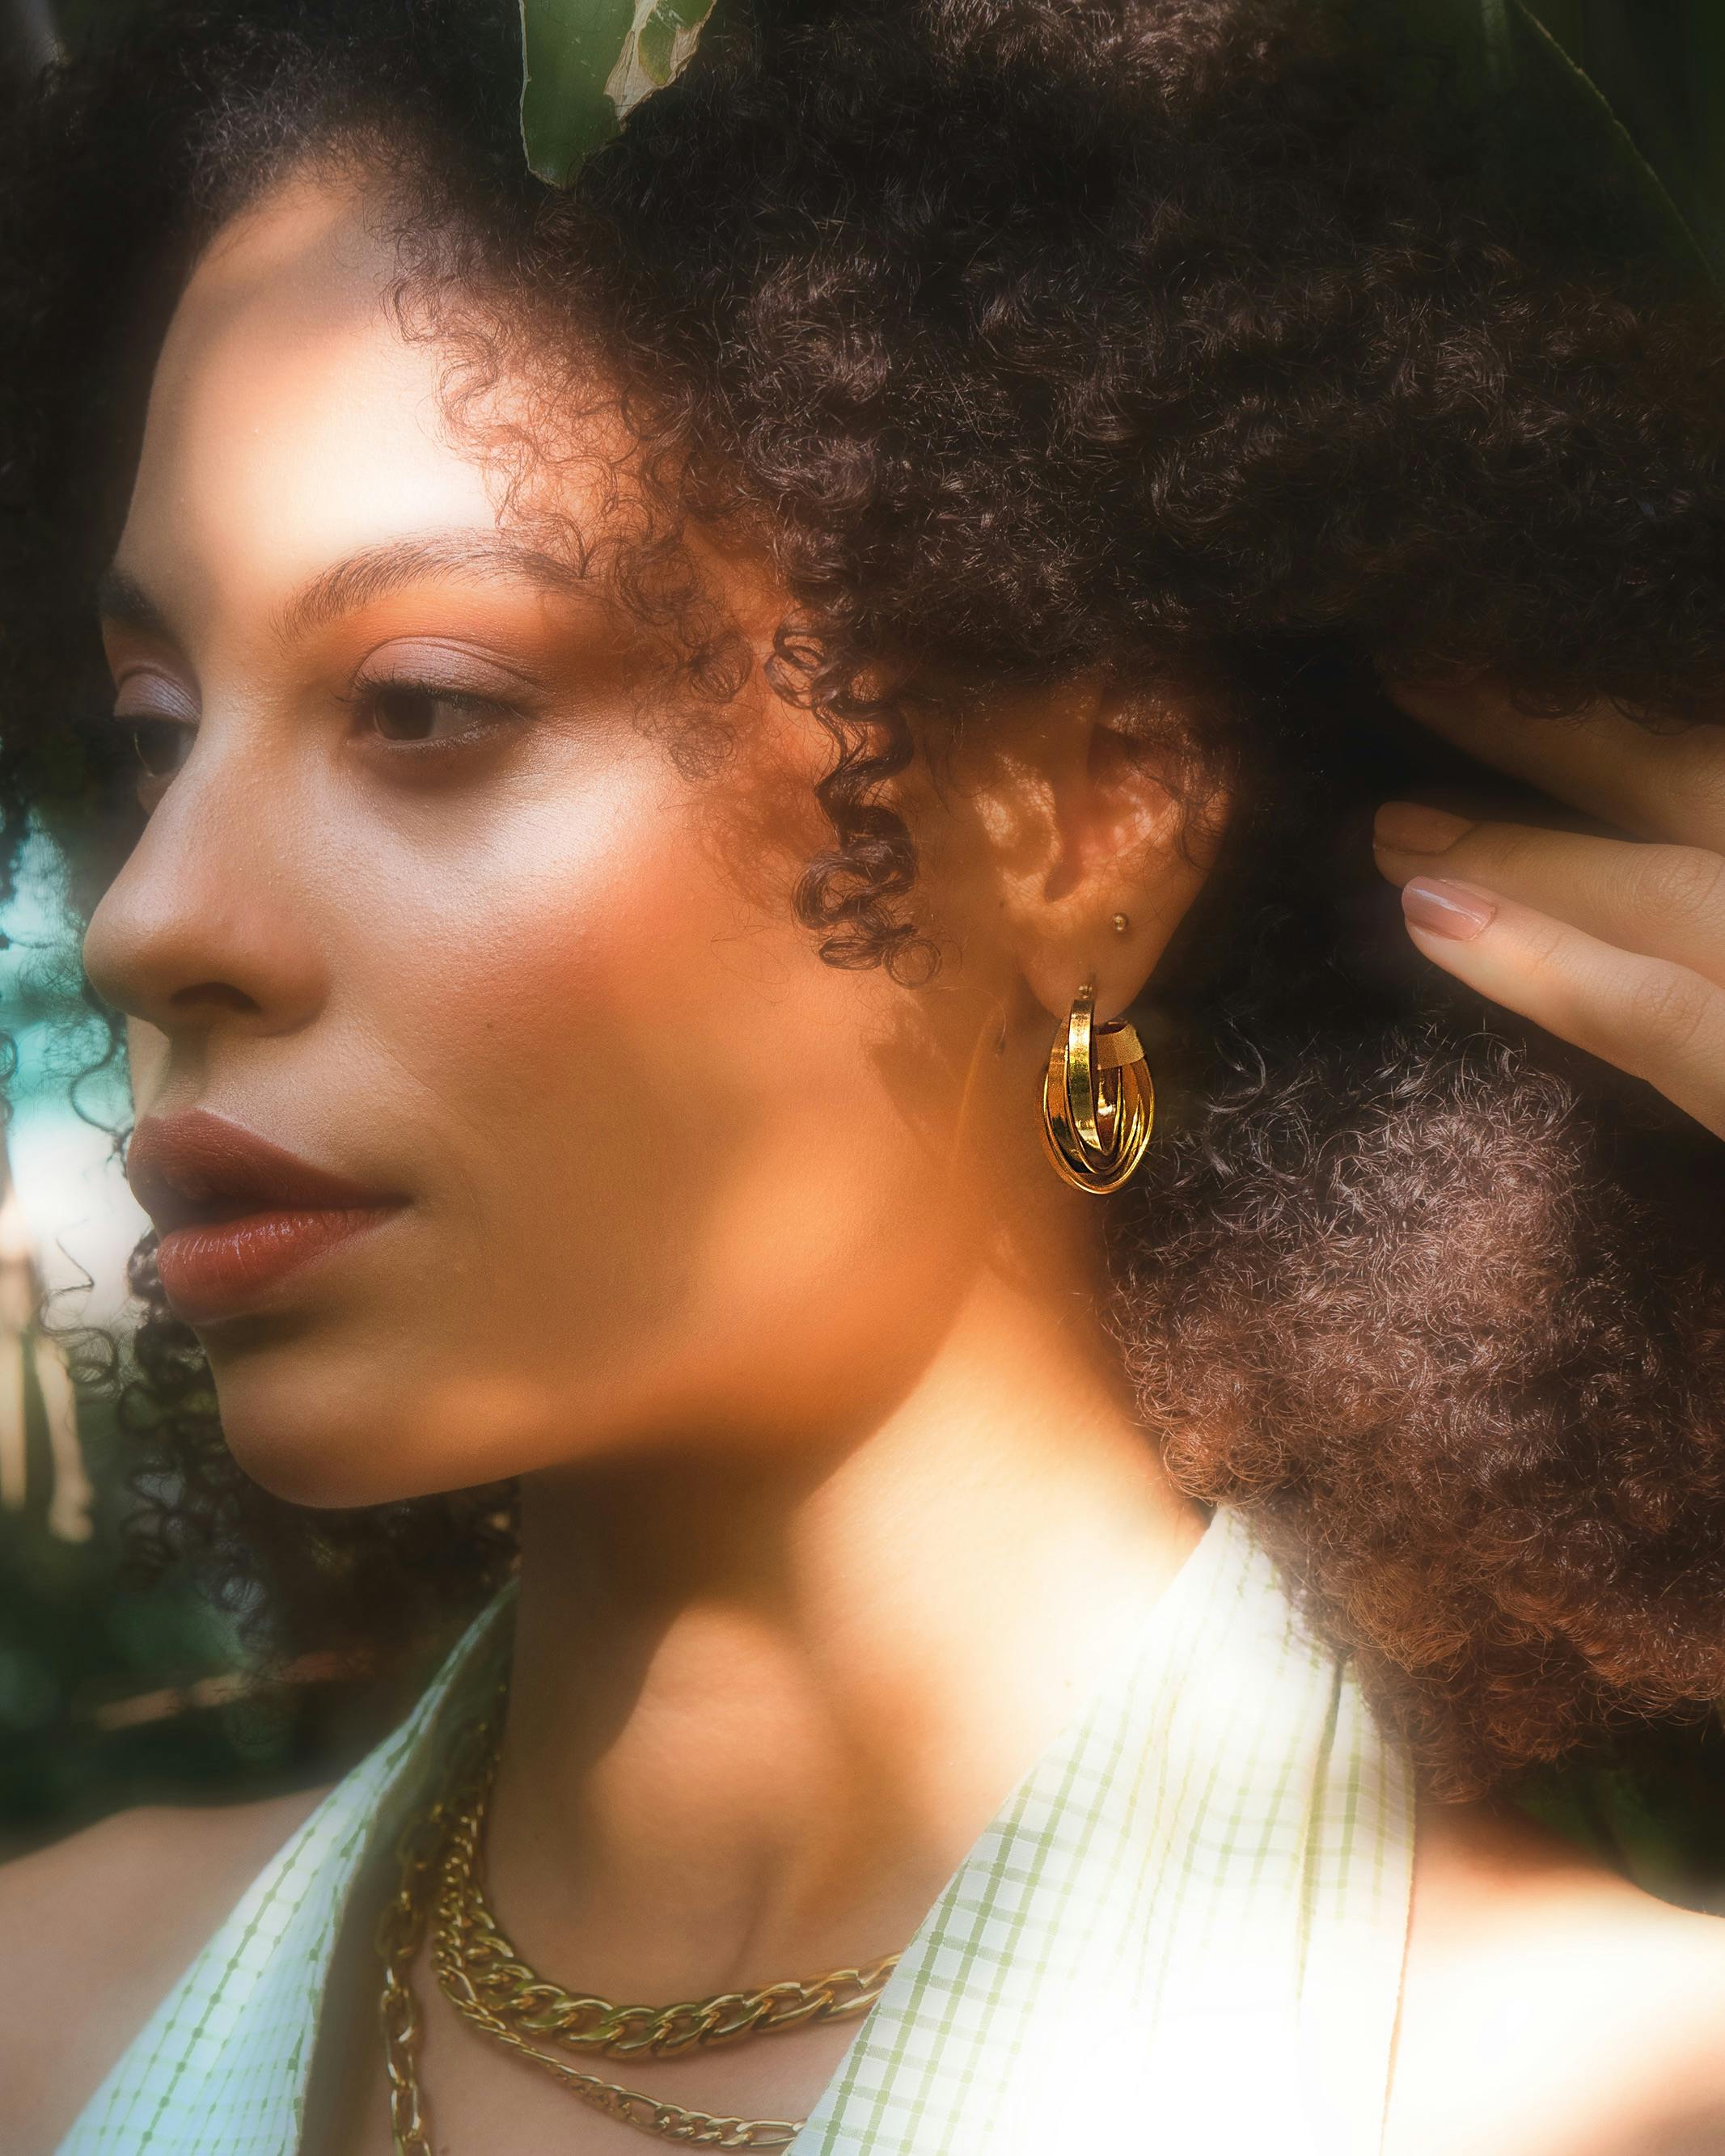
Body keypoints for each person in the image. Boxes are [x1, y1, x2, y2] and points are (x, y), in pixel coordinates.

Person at [2, 1, 1724, 2150]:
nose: (157, 913)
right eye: (151, 736)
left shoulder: (1614, 2096)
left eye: (430, 704)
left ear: (1086, 820)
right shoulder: (35, 2025)